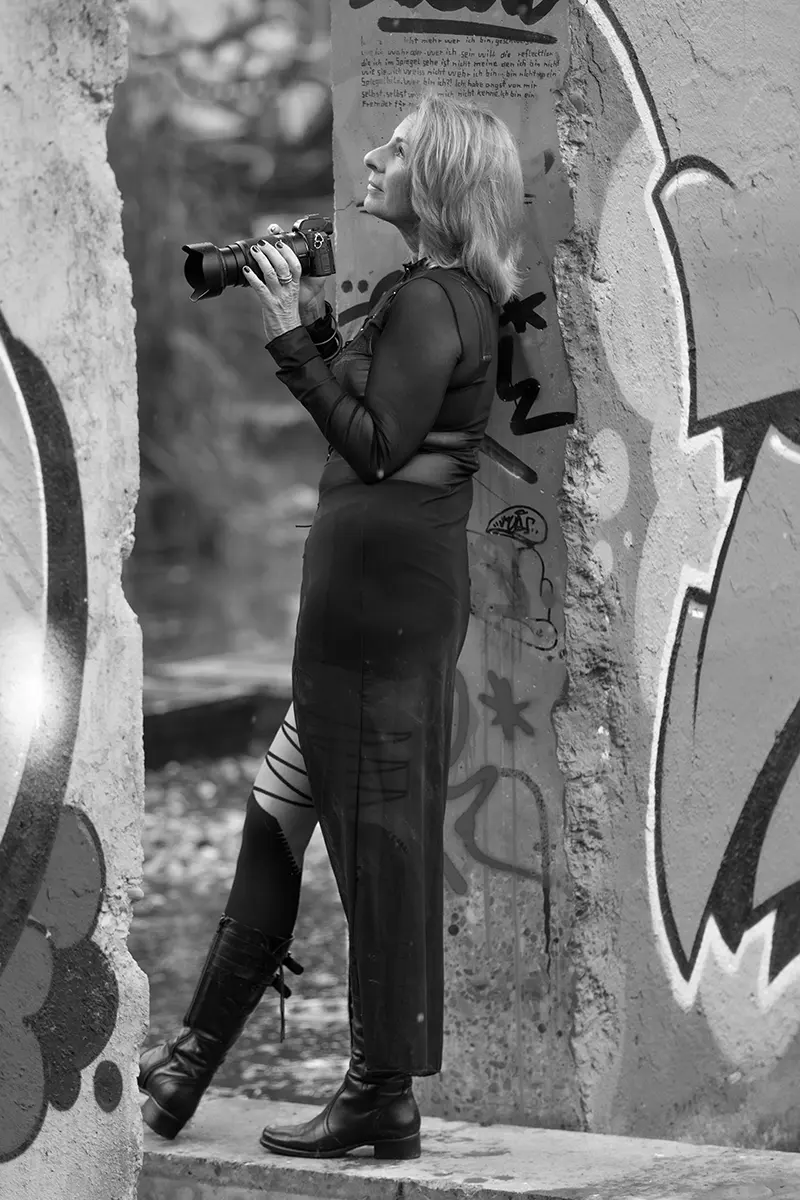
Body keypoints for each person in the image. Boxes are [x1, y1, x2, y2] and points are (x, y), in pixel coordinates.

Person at [138, 90, 525, 1160]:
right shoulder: (421, 293)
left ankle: (378, 1093)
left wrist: (283, 338)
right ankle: (185, 1069)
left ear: (434, 182)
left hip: (381, 621)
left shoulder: (436, 299)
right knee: (274, 819)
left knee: (380, 852)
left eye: (396, 151)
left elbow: (373, 445)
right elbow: (368, 413)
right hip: (364, 618)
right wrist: (308, 319)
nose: (374, 158)